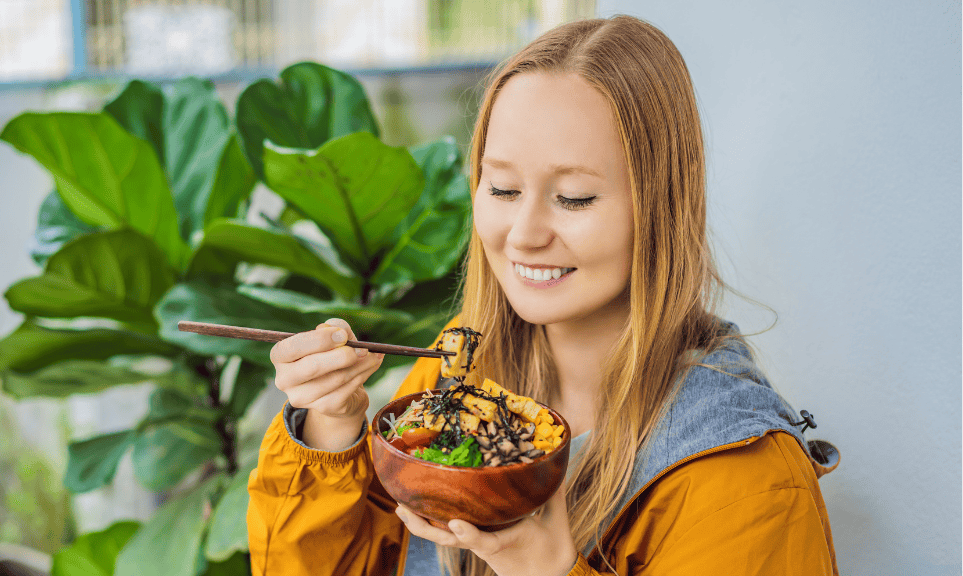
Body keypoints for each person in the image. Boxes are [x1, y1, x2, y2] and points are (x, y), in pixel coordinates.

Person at [247, 15, 840, 576]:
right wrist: (331, 425)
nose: (524, 236)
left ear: (661, 208)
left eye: (575, 198)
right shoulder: (460, 380)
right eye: (502, 188)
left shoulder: (746, 476)